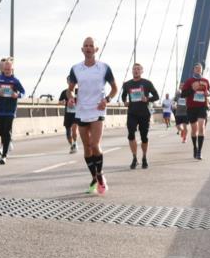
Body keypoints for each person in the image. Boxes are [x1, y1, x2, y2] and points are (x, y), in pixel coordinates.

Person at [67, 37, 118, 194]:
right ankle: (94, 177)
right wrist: (70, 97)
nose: (88, 48)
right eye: (86, 46)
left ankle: (100, 174)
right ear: (82, 49)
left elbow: (115, 88)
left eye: (91, 46)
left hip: (97, 109)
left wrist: (107, 100)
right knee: (87, 147)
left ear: (96, 49)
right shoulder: (76, 68)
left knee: (95, 144)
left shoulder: (104, 68)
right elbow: (70, 89)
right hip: (81, 110)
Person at [120, 63, 159, 169]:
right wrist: (125, 101)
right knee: (131, 135)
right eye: (134, 69)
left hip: (144, 113)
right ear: (132, 71)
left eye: (138, 69)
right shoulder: (127, 84)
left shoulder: (147, 83)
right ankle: (134, 158)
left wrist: (148, 99)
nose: (136, 71)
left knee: (144, 137)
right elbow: (123, 95)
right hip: (132, 113)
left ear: (142, 71)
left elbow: (156, 96)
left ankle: (144, 157)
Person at [0, 58, 26, 164]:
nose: (7, 71)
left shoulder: (15, 81)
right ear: (3, 69)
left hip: (10, 110)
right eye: (6, 69)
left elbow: (23, 92)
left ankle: (4, 156)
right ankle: (6, 146)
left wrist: (17, 95)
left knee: (7, 132)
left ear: (12, 69)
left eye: (9, 69)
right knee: (2, 132)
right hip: (0, 110)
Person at [180, 63, 210, 160]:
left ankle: (199, 152)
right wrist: (193, 89)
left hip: (202, 106)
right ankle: (195, 147)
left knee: (201, 126)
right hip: (192, 107)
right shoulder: (189, 81)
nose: (198, 69)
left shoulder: (205, 81)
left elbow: (209, 92)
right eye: (196, 68)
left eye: (200, 68)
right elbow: (183, 94)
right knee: (194, 130)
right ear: (193, 70)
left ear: (202, 70)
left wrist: (207, 93)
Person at [58, 78, 79, 153]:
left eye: (72, 81)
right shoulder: (64, 92)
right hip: (68, 114)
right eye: (69, 81)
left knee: (74, 130)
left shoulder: (78, 91)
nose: (70, 82)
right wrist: (62, 102)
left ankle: (75, 143)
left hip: (76, 114)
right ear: (67, 82)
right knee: (68, 133)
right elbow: (59, 102)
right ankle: (72, 145)